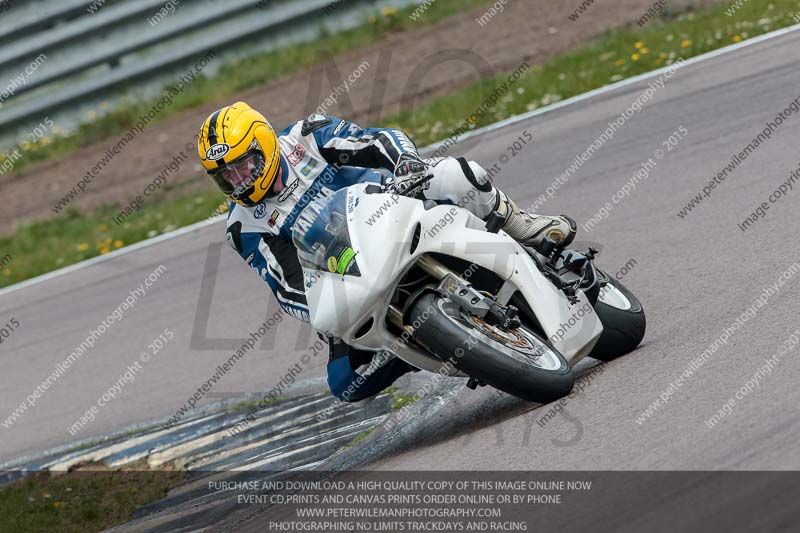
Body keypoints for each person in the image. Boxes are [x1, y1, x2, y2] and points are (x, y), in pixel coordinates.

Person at [197, 101, 575, 403]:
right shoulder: (242, 227)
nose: (239, 180)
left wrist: (406, 163)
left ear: (262, 145)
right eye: (226, 176)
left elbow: (375, 140)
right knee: (344, 382)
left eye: (243, 166)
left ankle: (523, 226)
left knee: (457, 174)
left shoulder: (304, 138)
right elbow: (286, 286)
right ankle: (427, 344)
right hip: (350, 273)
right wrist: (321, 311)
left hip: (397, 205)